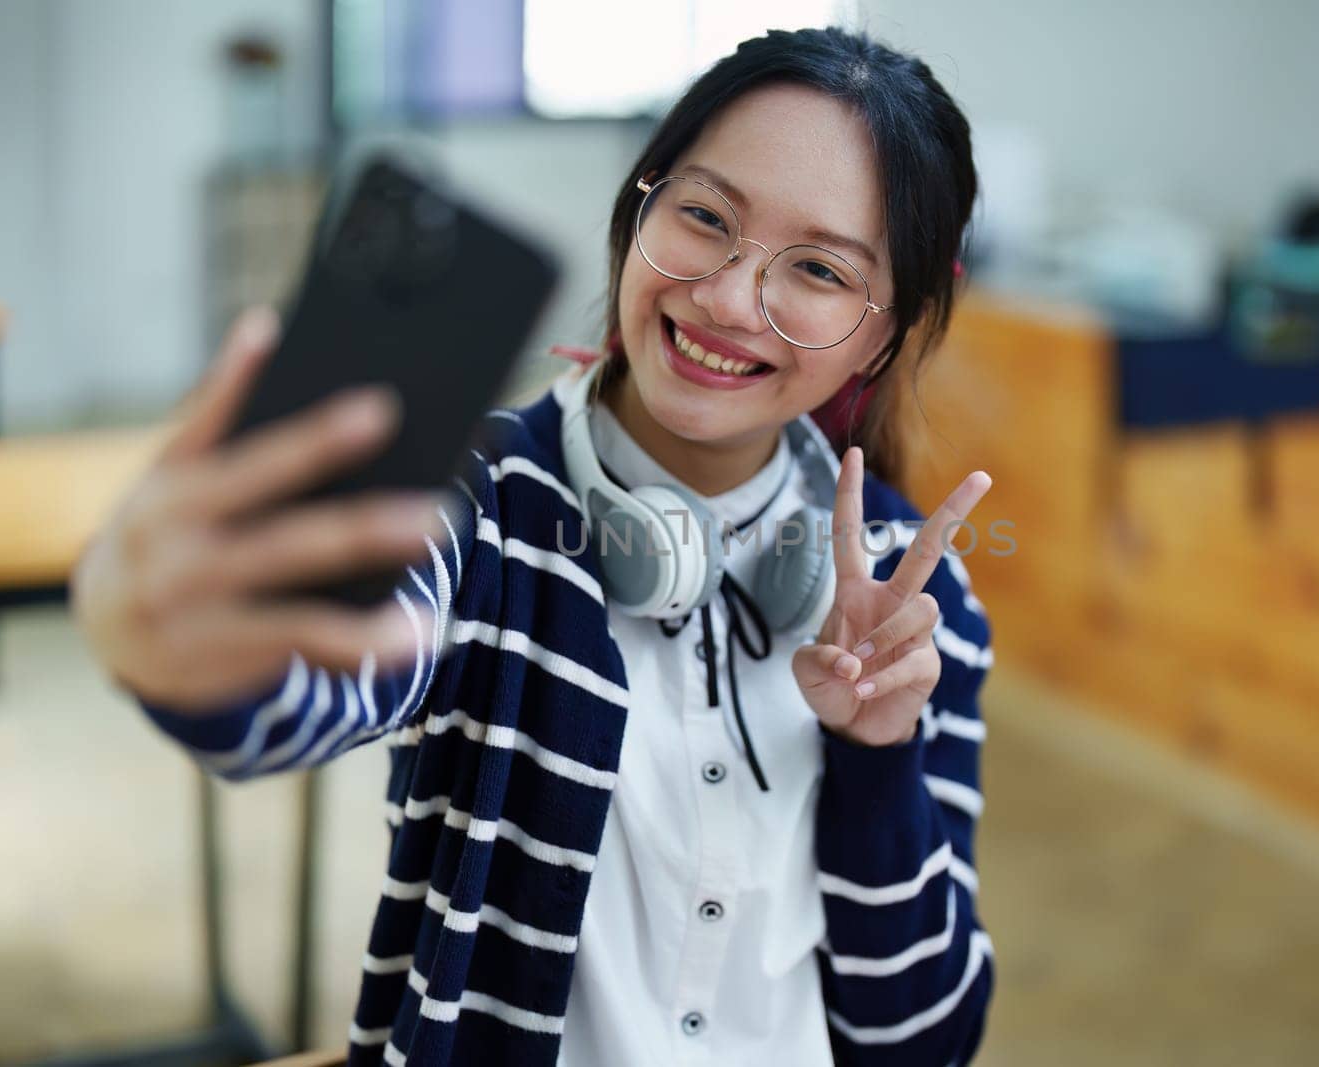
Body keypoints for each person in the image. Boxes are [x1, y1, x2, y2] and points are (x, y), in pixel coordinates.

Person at [73, 26, 993, 1067]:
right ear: (638, 206)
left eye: (820, 269)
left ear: (883, 332)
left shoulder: (917, 598)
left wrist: (877, 759)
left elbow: (928, 1040)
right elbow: (303, 689)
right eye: (703, 217)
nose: (730, 300)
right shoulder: (481, 507)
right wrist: (186, 642)